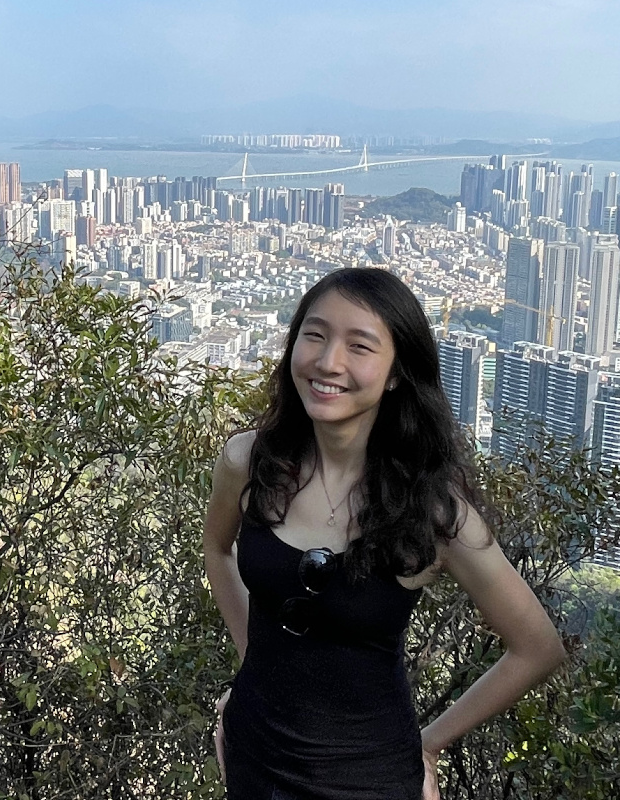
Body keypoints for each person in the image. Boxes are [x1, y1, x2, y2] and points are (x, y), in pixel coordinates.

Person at [202, 267, 566, 800]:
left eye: (360, 346)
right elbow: (217, 549)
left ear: (396, 373)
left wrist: (430, 743)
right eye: (315, 335)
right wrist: (251, 662)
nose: (329, 363)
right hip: (254, 754)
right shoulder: (249, 463)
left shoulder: (433, 515)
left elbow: (536, 647)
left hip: (369, 779)